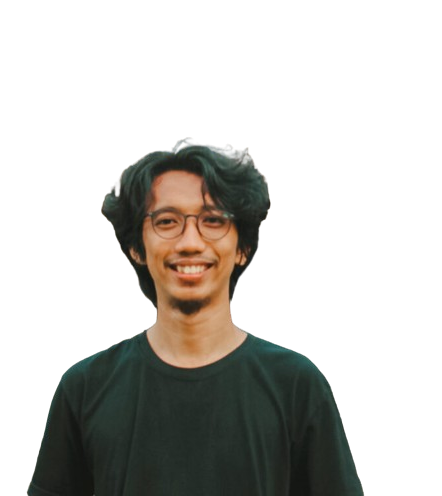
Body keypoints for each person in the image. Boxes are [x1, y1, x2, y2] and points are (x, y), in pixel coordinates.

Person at [28, 138, 364, 495]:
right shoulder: (83, 388)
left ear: (243, 247)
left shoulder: (297, 385)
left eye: (213, 220)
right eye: (167, 221)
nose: (190, 242)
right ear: (137, 247)